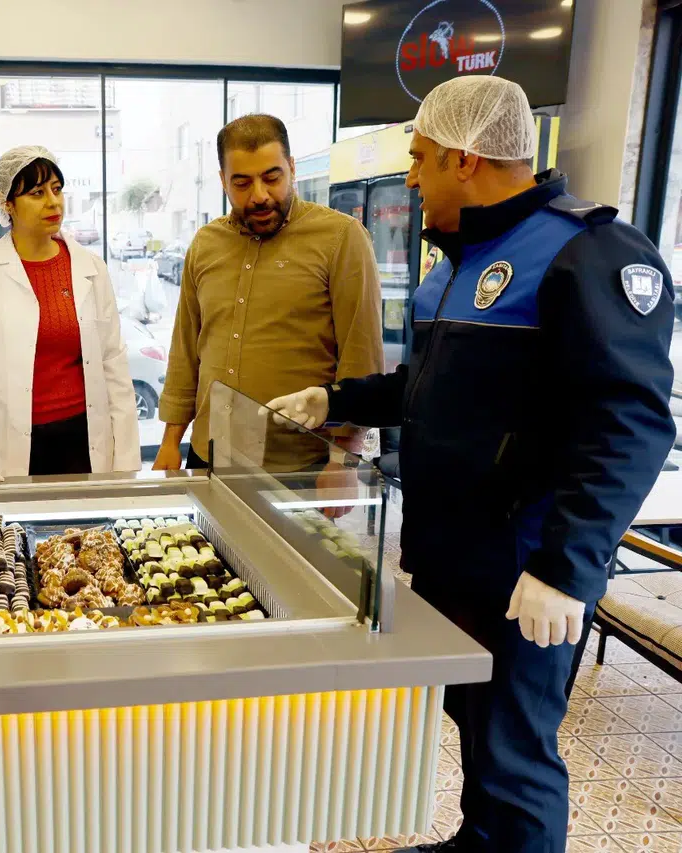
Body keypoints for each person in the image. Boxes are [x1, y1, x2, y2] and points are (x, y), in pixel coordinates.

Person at [267, 77, 676, 853]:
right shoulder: (452, 264)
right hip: (451, 553)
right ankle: (479, 839)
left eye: (420, 157)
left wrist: (567, 569)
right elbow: (424, 389)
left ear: (464, 158)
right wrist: (336, 398)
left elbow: (629, 425)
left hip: (527, 566)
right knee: (475, 721)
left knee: (518, 749)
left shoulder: (584, 252)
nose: (411, 176)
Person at [153, 114, 383, 472]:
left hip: (299, 464)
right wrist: (170, 442)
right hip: (209, 454)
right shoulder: (205, 243)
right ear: (223, 181)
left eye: (272, 178)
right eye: (242, 183)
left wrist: (343, 463)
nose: (259, 196)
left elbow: (361, 357)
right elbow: (186, 350)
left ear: (291, 168)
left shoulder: (341, 238)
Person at [0, 146, 139, 484]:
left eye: (56, 189)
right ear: (7, 204)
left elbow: (113, 362)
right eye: (37, 193)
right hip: (8, 439)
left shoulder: (90, 267)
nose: (53, 202)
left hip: (83, 437)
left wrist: (125, 459)